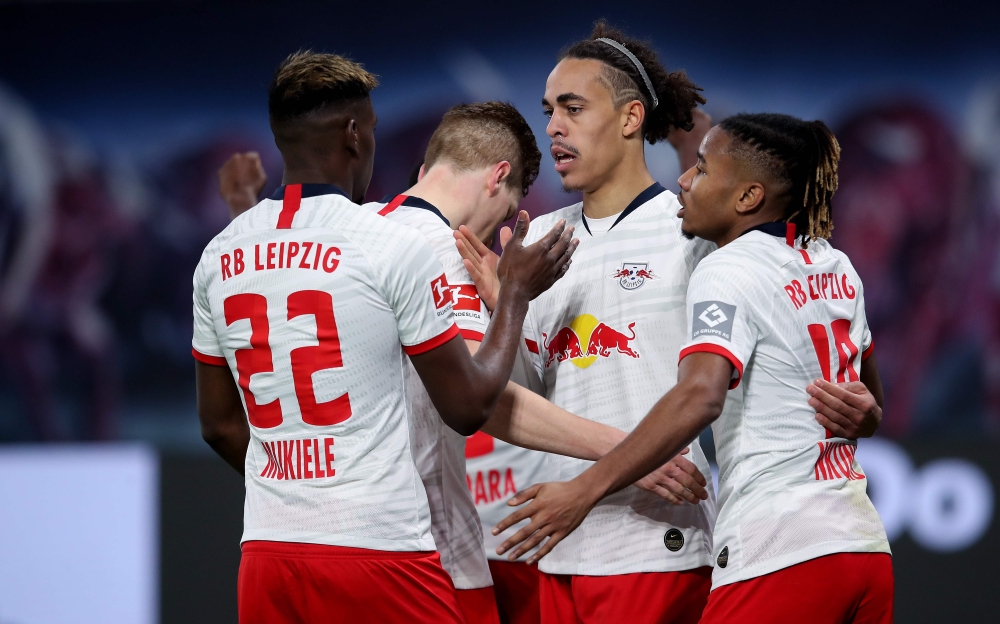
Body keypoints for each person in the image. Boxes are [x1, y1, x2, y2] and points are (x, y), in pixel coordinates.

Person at [218, 101, 713, 624]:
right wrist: (635, 455)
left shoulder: (346, 234)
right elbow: (486, 404)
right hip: (424, 557)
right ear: (498, 178)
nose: (501, 224)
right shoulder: (440, 248)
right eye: (511, 204)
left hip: (292, 542)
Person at [455, 23, 884, 624]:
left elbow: (816, 325)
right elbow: (521, 398)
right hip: (557, 550)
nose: (553, 127)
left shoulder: (698, 235)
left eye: (573, 108)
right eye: (549, 110)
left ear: (631, 118)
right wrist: (511, 304)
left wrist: (867, 408)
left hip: (661, 551)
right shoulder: (540, 243)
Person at [191, 50, 577, 624]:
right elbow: (470, 407)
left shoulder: (219, 255)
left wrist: (301, 492)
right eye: (370, 128)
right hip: (379, 550)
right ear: (353, 134)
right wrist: (514, 294)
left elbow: (220, 426)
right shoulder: (391, 244)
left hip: (268, 551)